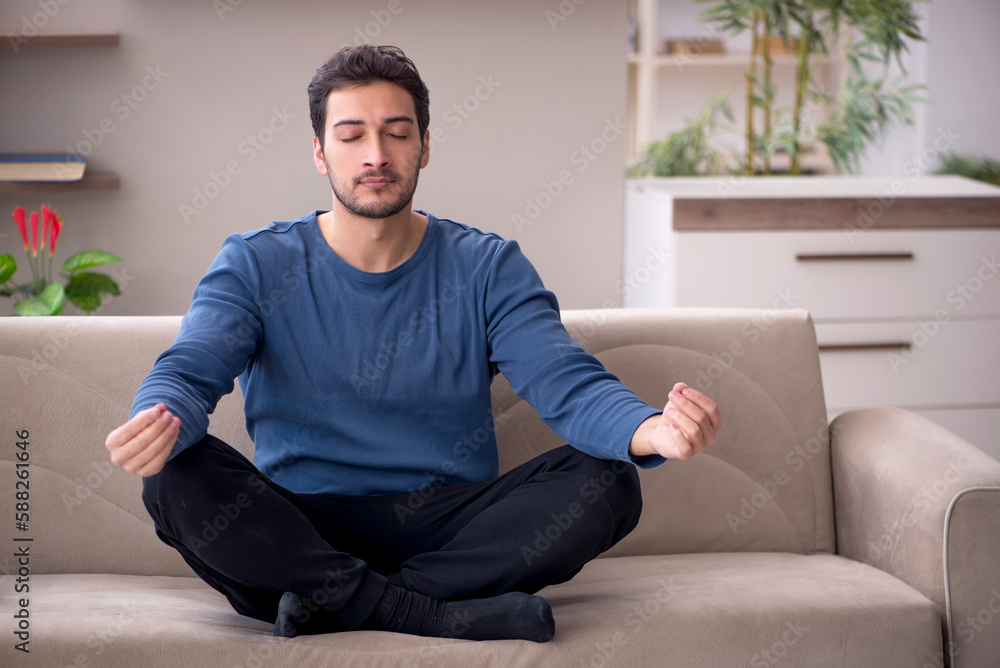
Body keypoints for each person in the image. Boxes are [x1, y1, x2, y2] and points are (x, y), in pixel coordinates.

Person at [104, 44, 720, 644]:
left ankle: (338, 605)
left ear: (424, 146)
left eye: (396, 133)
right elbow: (189, 370)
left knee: (608, 480)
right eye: (351, 136)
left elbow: (565, 381)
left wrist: (650, 429)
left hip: (449, 525)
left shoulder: (487, 267)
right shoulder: (256, 263)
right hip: (303, 527)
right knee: (173, 475)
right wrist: (158, 420)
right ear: (319, 152)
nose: (376, 155)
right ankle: (434, 613)